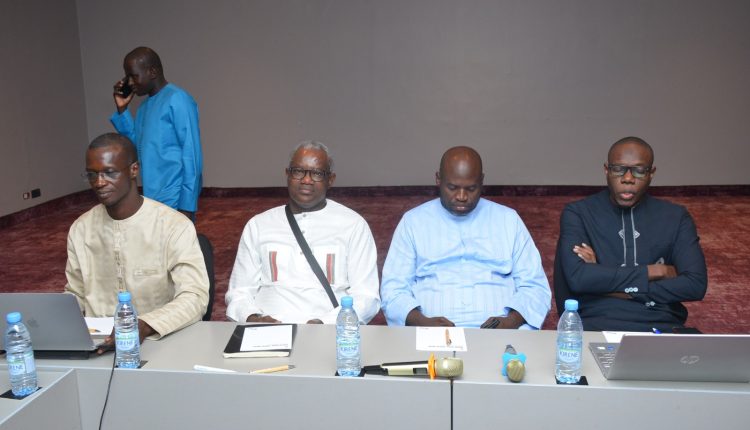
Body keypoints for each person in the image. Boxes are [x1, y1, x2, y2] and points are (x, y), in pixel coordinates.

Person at [65, 133, 209, 352]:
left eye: (110, 172)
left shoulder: (173, 226)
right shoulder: (81, 229)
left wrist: (146, 325)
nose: (99, 182)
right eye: (92, 175)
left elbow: (195, 297)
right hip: (98, 347)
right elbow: (75, 294)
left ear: (134, 170)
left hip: (160, 341)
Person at [380, 146, 551, 329]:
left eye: (471, 188)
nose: (462, 197)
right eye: (452, 188)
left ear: (482, 182)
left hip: (504, 334)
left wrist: (511, 322)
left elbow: (535, 287)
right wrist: (423, 323)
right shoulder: (413, 222)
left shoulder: (509, 220)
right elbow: (393, 290)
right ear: (438, 179)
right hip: (428, 333)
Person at [553, 136, 707, 332]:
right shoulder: (579, 213)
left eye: (639, 171)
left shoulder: (675, 217)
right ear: (606, 170)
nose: (627, 178)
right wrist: (655, 272)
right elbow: (579, 278)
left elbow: (695, 285)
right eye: (618, 169)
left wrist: (604, 282)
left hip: (661, 322)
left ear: (651, 173)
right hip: (596, 322)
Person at [225, 141, 380, 324]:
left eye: (317, 173)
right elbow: (239, 292)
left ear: (330, 180)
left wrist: (325, 323)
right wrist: (253, 318)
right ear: (287, 174)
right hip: (267, 332)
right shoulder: (259, 225)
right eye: (298, 171)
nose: (306, 180)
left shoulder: (353, 225)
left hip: (329, 332)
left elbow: (366, 297)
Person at [110, 46, 202, 220]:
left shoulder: (178, 99)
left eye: (134, 76)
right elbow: (137, 148)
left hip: (175, 199)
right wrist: (122, 109)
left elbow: (192, 156)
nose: (130, 82)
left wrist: (187, 206)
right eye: (127, 77)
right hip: (151, 198)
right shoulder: (144, 107)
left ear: (152, 72)